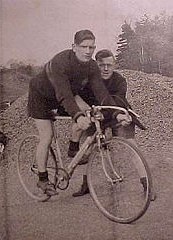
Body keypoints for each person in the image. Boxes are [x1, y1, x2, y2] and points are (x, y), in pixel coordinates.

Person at [28, 31, 131, 197]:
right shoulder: (60, 62)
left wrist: (116, 114)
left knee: (90, 111)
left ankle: (73, 148)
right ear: (74, 47)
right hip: (42, 96)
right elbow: (64, 95)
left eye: (91, 47)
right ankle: (42, 178)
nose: (88, 51)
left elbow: (102, 93)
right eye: (84, 47)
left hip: (67, 94)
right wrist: (78, 117)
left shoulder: (91, 66)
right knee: (46, 137)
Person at [72, 49, 156, 201]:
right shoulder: (88, 81)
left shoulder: (119, 80)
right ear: (96, 65)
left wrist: (117, 115)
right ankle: (86, 185)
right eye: (101, 65)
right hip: (96, 117)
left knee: (131, 147)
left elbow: (117, 101)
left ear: (114, 65)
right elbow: (80, 99)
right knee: (88, 146)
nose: (105, 69)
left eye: (109, 65)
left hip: (118, 115)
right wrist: (88, 113)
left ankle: (147, 185)